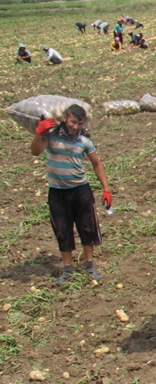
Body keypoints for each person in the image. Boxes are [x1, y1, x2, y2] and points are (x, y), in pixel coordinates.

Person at [32, 105, 111, 285]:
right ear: (65, 119)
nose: (75, 127)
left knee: (87, 227)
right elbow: (35, 151)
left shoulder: (84, 140)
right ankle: (67, 269)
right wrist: (39, 133)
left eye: (79, 123)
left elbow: (96, 164)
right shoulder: (51, 136)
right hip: (58, 192)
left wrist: (106, 188)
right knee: (62, 229)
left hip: (80, 190)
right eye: (73, 122)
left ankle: (89, 265)